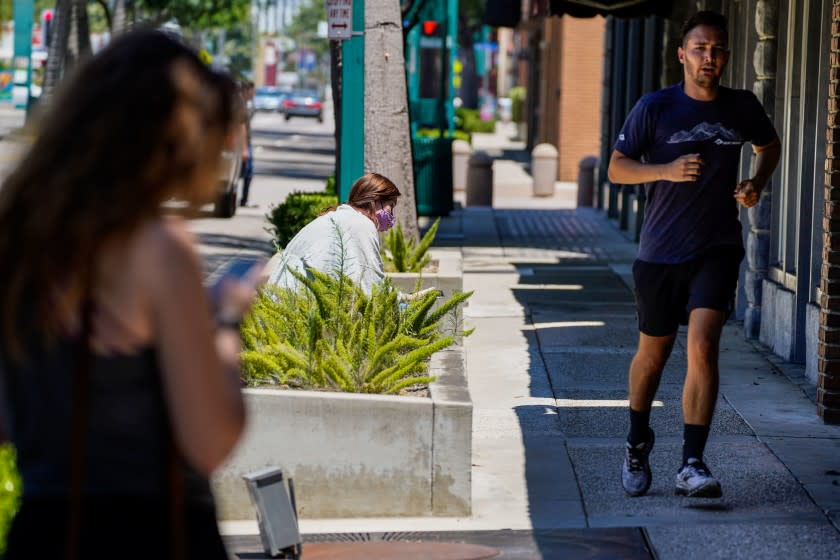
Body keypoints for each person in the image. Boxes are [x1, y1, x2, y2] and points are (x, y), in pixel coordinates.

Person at [0, 31, 258, 558]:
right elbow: (211, 441)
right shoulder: (157, 247)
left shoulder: (16, 238)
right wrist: (227, 325)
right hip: (150, 534)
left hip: (43, 536)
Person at [607, 11, 781, 499]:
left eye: (718, 49)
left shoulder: (742, 106)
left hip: (718, 245)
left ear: (726, 55)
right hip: (660, 253)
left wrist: (756, 183)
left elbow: (770, 145)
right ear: (682, 54)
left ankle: (692, 463)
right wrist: (664, 169)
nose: (710, 57)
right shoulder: (655, 107)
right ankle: (638, 441)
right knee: (653, 355)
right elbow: (618, 169)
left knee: (703, 345)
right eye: (700, 48)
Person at [267, 172, 399, 295]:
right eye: (391, 206)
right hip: (297, 307)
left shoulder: (337, 217)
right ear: (375, 200)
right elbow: (371, 284)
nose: (392, 216)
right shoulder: (361, 224)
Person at [239, 81, 256, 208]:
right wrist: (244, 149)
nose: (254, 94)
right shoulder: (241, 105)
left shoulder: (245, 103)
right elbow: (241, 126)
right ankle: (243, 199)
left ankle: (244, 199)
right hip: (243, 144)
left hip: (245, 143)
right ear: (247, 90)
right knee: (247, 172)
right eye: (252, 91)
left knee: (247, 173)